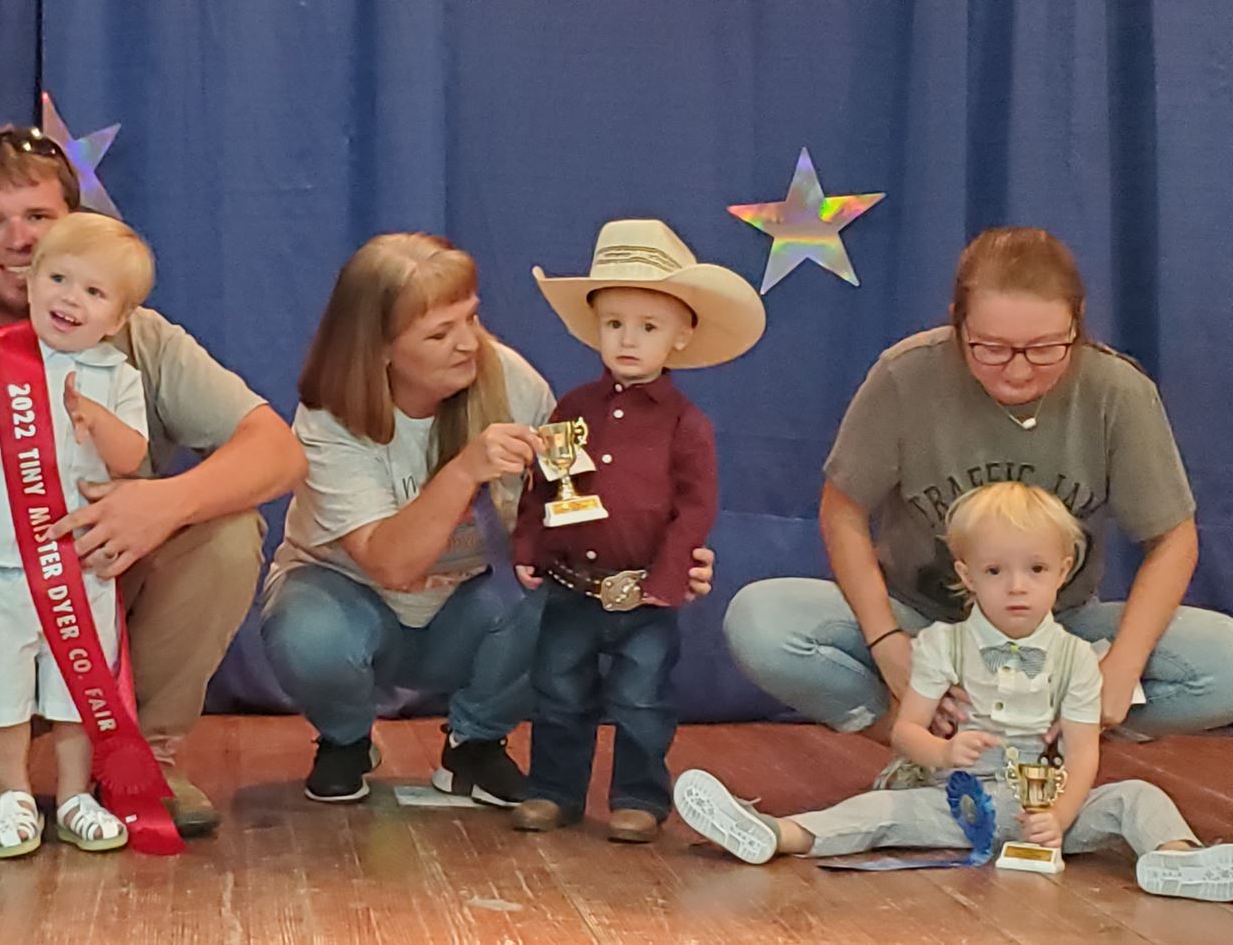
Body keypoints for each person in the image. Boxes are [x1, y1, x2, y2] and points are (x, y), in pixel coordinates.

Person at [0, 126, 306, 840]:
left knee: (224, 529)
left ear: (75, 226)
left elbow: (278, 453)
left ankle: (140, 755)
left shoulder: (143, 337)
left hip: (95, 595)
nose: (17, 239)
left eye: (38, 218)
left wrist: (163, 502)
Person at [722, 227, 1233, 786]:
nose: (1018, 370)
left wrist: (1120, 667)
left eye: (1045, 349)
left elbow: (1174, 538)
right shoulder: (906, 376)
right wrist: (888, 645)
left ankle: (1044, 751)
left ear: (1079, 324)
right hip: (925, 623)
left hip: (1059, 633)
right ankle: (927, 752)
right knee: (761, 621)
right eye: (990, 348)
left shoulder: (1117, 392)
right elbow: (842, 510)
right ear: (955, 323)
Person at [257, 233, 720, 807]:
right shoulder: (329, 417)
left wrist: (663, 559)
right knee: (308, 634)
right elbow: (393, 566)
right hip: (352, 603)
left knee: (562, 595)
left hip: (468, 612)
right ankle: (346, 739)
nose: (467, 344)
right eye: (439, 333)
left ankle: (475, 744)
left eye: (471, 320)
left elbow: (578, 508)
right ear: (380, 349)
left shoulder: (514, 382)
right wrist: (463, 471)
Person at [680, 483, 1233, 904]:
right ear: (966, 574)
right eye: (996, 570)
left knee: (1136, 796)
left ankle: (1177, 859)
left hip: (1045, 812)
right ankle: (774, 833)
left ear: (1063, 571)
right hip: (954, 801)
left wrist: (1061, 817)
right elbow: (905, 731)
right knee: (880, 811)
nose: (1017, 586)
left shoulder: (1079, 659)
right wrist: (942, 753)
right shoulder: (941, 648)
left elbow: (1084, 751)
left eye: (1035, 569)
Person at [508, 220, 764, 841]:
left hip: (645, 593)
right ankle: (553, 791)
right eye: (614, 324)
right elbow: (545, 486)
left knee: (642, 701)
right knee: (558, 693)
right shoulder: (571, 409)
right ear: (594, 326)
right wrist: (529, 545)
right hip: (572, 587)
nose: (628, 340)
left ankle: (639, 798)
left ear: (681, 337)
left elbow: (697, 508)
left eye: (649, 327)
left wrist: (669, 576)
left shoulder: (687, 424)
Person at [0, 212, 152, 857]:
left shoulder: (119, 375)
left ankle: (76, 795)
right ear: (28, 284)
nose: (69, 299)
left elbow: (131, 456)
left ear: (116, 318)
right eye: (58, 278)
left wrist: (95, 418)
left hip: (78, 564)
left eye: (93, 292)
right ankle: (14, 794)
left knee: (77, 683)